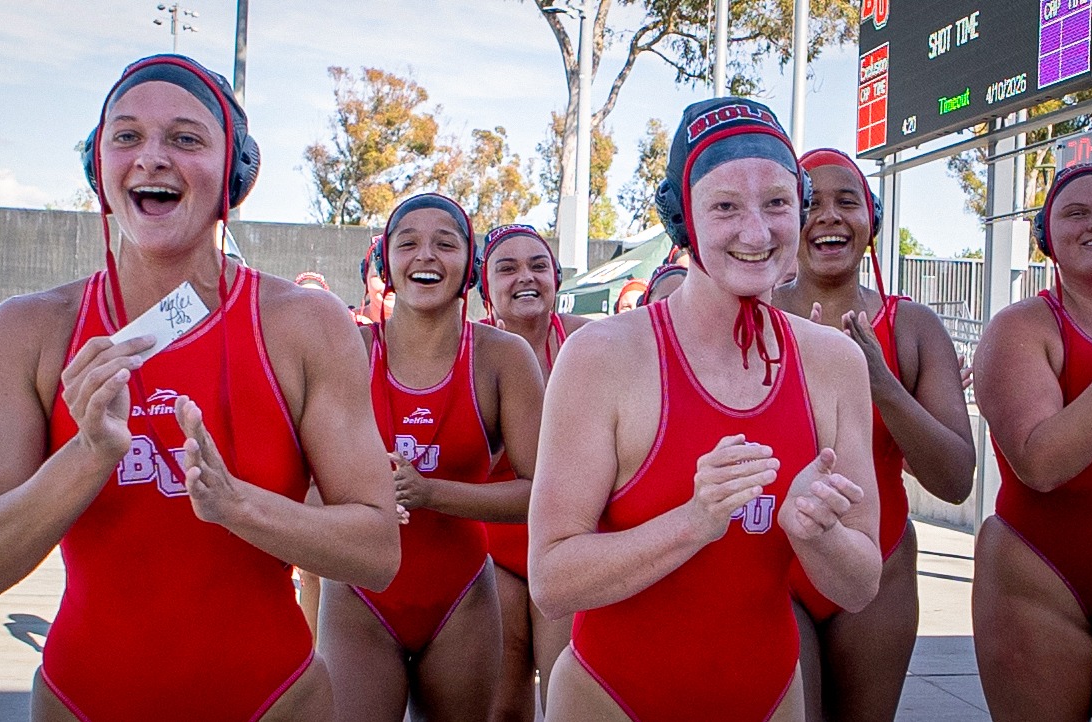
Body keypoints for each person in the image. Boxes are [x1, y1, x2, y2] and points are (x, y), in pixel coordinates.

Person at [0, 54, 399, 721]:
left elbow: (377, 553)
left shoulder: (301, 325)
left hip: (273, 700)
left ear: (233, 177)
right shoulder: (32, 331)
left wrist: (238, 507)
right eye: (126, 136)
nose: (151, 156)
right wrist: (88, 454)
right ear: (98, 168)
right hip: (83, 699)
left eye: (185, 138)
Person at [528, 97, 881, 721]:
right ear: (683, 219)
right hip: (612, 699)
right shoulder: (602, 357)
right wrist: (694, 522)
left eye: (776, 202)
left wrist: (816, 534)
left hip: (769, 696)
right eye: (724, 206)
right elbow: (552, 581)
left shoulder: (833, 363)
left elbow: (860, 584)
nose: (756, 232)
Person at [319, 194, 545, 721]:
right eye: (408, 243)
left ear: (470, 268)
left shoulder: (502, 357)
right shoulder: (346, 348)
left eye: (446, 243)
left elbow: (540, 492)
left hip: (460, 594)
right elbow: (303, 481)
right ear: (385, 265)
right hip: (360, 592)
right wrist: (356, 496)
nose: (426, 256)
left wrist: (429, 493)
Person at [773, 148, 975, 722]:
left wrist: (881, 382)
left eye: (847, 201)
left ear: (871, 222)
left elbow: (956, 479)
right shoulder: (753, 317)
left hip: (880, 563)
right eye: (811, 202)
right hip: (773, 566)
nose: (829, 215)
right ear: (788, 219)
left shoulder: (912, 327)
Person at [972, 163, 1092, 721]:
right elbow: (1043, 464)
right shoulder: (1021, 328)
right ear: (1046, 237)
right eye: (1076, 213)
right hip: (1041, 573)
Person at [477, 223, 590, 720]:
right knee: (504, 706)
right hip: (496, 547)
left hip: (572, 539)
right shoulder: (468, 354)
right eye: (507, 267)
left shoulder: (593, 341)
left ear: (557, 279)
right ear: (486, 289)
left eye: (538, 265)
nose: (525, 276)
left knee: (570, 696)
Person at [354, 234, 395, 324]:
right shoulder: (344, 323)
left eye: (397, 276)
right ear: (365, 275)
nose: (389, 284)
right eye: (381, 275)